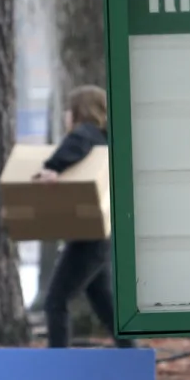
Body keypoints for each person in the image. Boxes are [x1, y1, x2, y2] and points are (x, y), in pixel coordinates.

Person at [32, 85, 132, 350]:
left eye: (68, 109)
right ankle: (131, 354)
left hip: (87, 238)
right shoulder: (105, 138)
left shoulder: (84, 133)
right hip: (101, 234)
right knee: (103, 302)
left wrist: (52, 168)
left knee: (55, 301)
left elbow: (75, 145)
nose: (65, 115)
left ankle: (58, 362)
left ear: (78, 111)